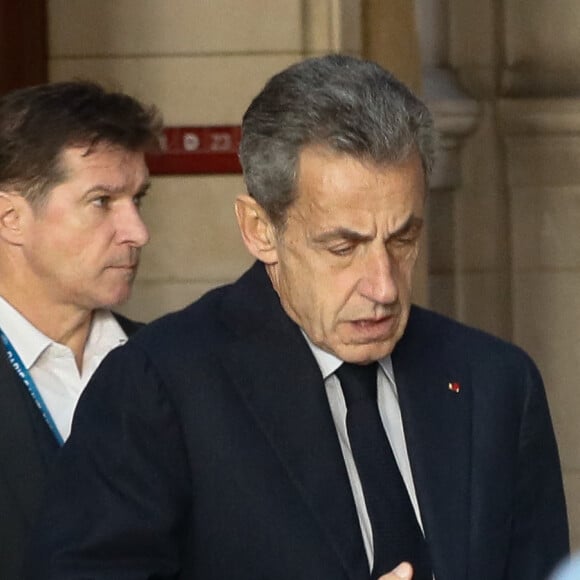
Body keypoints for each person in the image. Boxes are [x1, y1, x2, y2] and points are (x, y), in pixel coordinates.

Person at [26, 55, 568, 580]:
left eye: (402, 238)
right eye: (342, 247)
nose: (382, 286)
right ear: (260, 229)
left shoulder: (496, 383)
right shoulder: (159, 388)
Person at [0, 80, 162, 579]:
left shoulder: (172, 365)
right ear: (10, 218)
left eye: (138, 199)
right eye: (102, 201)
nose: (137, 231)